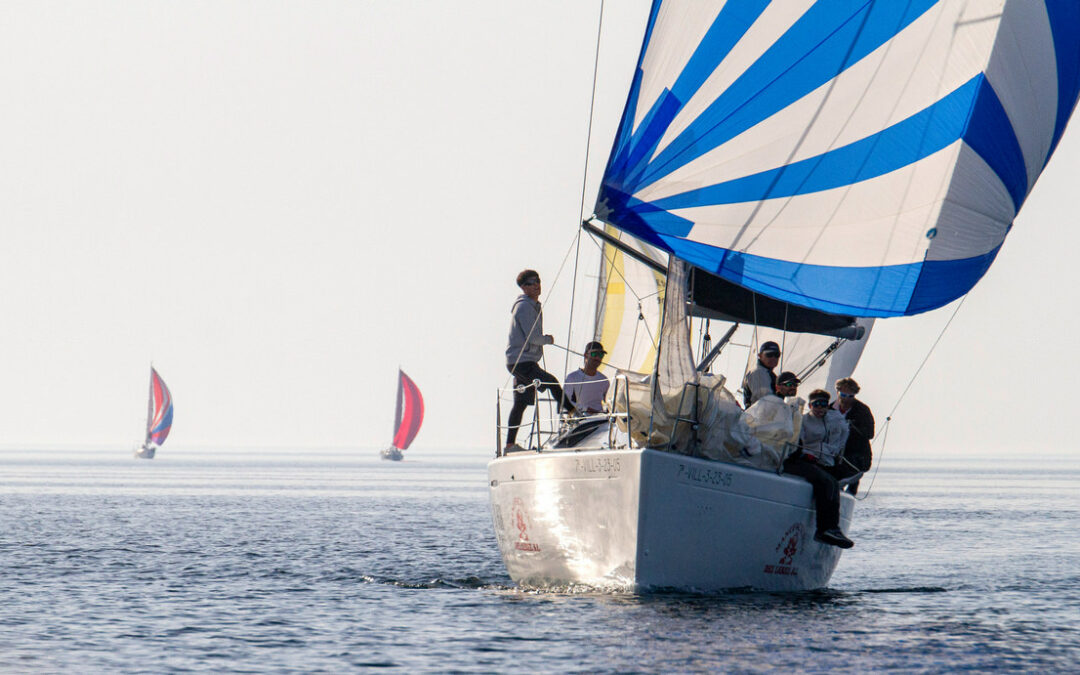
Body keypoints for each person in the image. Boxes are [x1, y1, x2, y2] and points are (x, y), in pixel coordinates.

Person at [504, 269, 577, 452]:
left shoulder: (534, 305)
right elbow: (533, 338)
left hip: (524, 361)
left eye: (537, 281)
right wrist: (548, 339)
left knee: (520, 404)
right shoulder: (524, 306)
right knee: (552, 382)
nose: (536, 285)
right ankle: (573, 413)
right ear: (523, 288)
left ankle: (510, 445)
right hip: (521, 361)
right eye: (530, 283)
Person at [783, 389, 853, 548]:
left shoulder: (830, 420)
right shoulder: (803, 420)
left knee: (833, 484)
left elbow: (842, 434)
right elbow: (796, 442)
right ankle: (824, 529)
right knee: (826, 482)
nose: (820, 408)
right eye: (816, 405)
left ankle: (832, 528)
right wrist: (803, 453)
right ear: (810, 405)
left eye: (823, 405)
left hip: (821, 460)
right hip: (801, 459)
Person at [830, 377, 875, 495]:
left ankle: (848, 500)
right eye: (843, 395)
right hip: (834, 453)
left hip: (857, 455)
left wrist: (853, 427)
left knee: (852, 481)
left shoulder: (862, 410)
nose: (846, 399)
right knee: (833, 478)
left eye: (850, 396)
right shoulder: (829, 409)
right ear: (837, 392)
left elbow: (870, 434)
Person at [564, 341, 610, 414]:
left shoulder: (604, 380)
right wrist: (585, 409)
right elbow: (565, 401)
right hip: (580, 420)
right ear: (586, 355)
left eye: (601, 355)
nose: (598, 358)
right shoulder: (572, 378)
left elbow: (610, 402)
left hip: (601, 419)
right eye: (594, 354)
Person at [742, 341, 780, 407]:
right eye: (769, 354)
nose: (773, 358)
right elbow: (765, 402)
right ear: (760, 355)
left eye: (777, 355)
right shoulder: (758, 373)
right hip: (758, 416)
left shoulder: (768, 374)